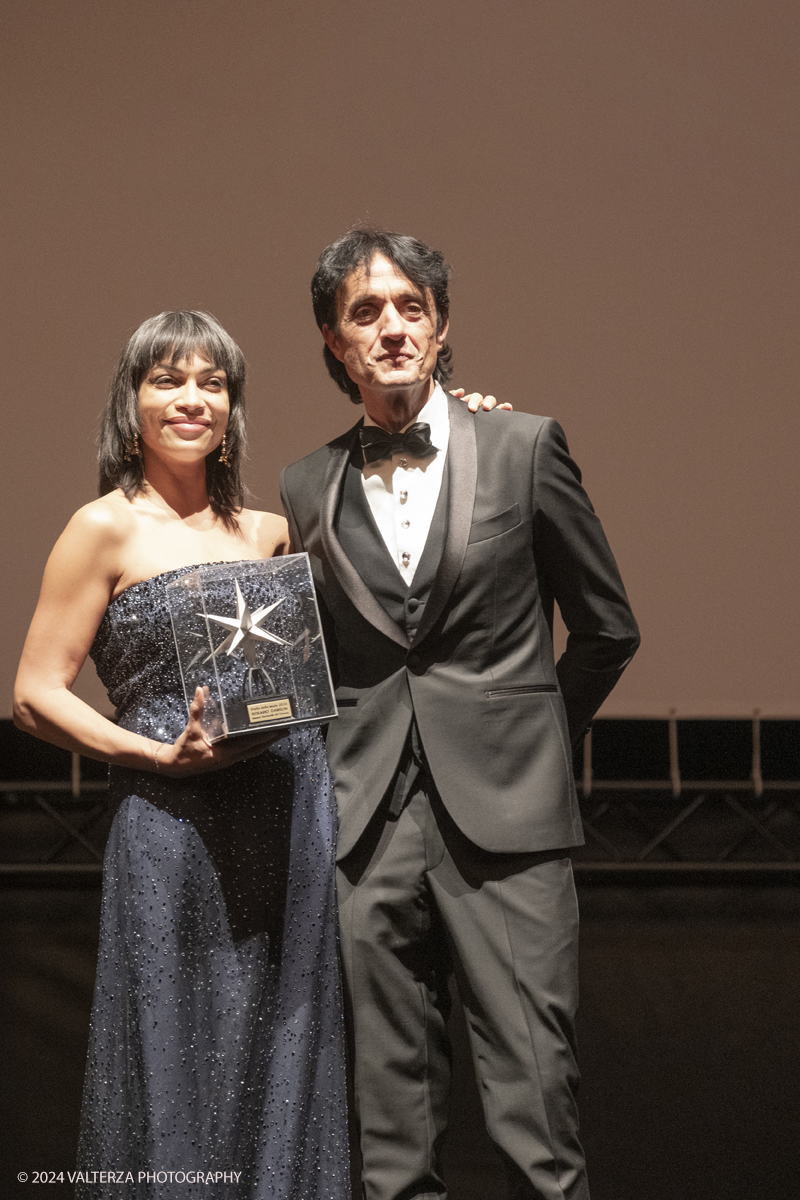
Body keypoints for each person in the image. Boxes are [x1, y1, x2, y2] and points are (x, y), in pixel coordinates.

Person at [280, 230, 641, 1200]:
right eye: (365, 312)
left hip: (508, 821)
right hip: (365, 821)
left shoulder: (523, 446)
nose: (390, 327)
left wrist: (535, 743)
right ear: (332, 340)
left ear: (441, 328)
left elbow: (607, 629)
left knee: (534, 1099)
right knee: (386, 1118)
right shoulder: (302, 486)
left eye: (409, 307)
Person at [13, 311, 351, 1199]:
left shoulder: (275, 531)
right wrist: (155, 757)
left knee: (281, 1038)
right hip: (170, 818)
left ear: (232, 405)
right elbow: (34, 694)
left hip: (287, 812)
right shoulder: (102, 529)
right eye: (167, 379)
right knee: (174, 1044)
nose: (191, 398)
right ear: (132, 404)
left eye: (212, 381)